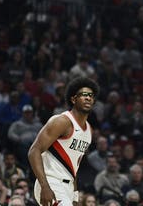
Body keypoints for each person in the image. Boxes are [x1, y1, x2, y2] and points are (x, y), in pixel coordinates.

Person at [28, 77, 100, 206]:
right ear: (73, 99)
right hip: (51, 182)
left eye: (91, 95)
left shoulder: (88, 130)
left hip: (68, 187)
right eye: (84, 95)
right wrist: (45, 186)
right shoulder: (62, 121)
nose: (88, 98)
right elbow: (34, 151)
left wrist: (75, 194)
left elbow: (74, 165)